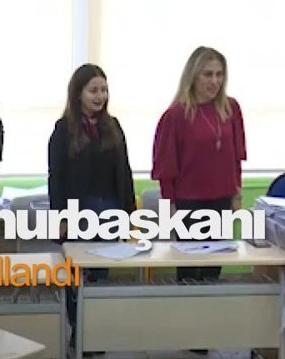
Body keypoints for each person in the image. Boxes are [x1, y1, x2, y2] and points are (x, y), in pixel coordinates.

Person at [48, 63, 136, 356]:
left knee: (101, 274)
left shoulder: (113, 126)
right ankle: (78, 331)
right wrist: (60, 216)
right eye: (93, 90)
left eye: (104, 90)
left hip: (110, 208)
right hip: (79, 211)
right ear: (79, 93)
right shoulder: (64, 129)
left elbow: (124, 171)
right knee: (77, 276)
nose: (100, 96)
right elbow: (56, 176)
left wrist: (129, 213)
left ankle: (96, 332)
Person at [151, 46, 246, 283]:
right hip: (188, 204)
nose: (214, 81)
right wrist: (170, 205)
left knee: (214, 268)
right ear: (193, 76)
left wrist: (237, 194)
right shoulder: (176, 115)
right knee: (190, 271)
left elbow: (236, 156)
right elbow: (165, 165)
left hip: (222, 201)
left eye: (219, 74)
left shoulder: (231, 108)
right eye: (208, 74)